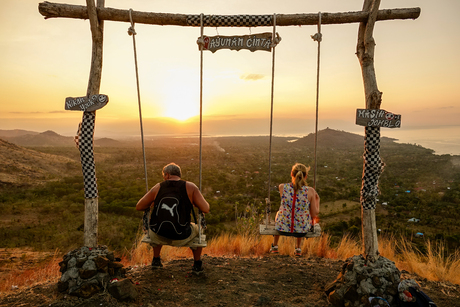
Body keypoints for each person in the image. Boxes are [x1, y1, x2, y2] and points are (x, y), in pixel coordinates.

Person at [136, 163, 210, 274]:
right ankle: (197, 264)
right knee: (198, 229)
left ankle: (156, 260)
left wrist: (153, 202)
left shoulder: (158, 187)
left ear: (167, 175)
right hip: (182, 235)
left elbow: (139, 206)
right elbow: (206, 209)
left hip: (158, 234)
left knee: (157, 223)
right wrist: (194, 202)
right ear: (179, 175)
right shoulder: (191, 187)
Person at [270, 163, 320, 256]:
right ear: (305, 176)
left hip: (282, 227)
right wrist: (317, 200)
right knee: (301, 214)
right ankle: (298, 248)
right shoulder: (310, 191)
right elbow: (314, 214)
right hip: (301, 230)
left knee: (279, 213)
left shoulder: (282, 187)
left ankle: (275, 246)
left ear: (291, 174)